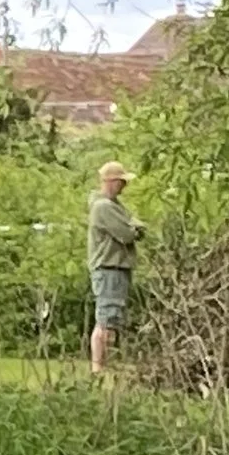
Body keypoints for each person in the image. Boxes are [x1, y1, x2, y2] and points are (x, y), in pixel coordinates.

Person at [86, 160, 142, 374]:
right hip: (109, 269)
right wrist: (134, 229)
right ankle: (98, 368)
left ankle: (104, 365)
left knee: (112, 318)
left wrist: (135, 227)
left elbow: (135, 225)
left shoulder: (115, 206)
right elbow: (127, 233)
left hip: (116, 269)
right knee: (106, 319)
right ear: (110, 181)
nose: (124, 186)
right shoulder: (104, 207)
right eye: (121, 181)